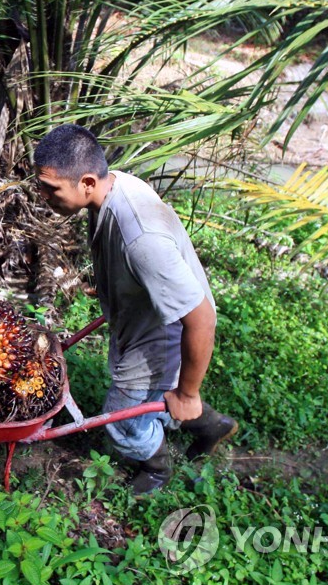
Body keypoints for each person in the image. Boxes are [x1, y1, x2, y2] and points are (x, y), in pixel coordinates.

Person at [33, 124, 238, 495]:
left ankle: (158, 467)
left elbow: (201, 319)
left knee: (121, 419)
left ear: (88, 182)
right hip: (147, 313)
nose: (42, 196)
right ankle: (211, 425)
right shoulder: (116, 186)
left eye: (51, 189)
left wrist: (189, 394)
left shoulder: (141, 239)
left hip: (165, 329)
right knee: (158, 396)